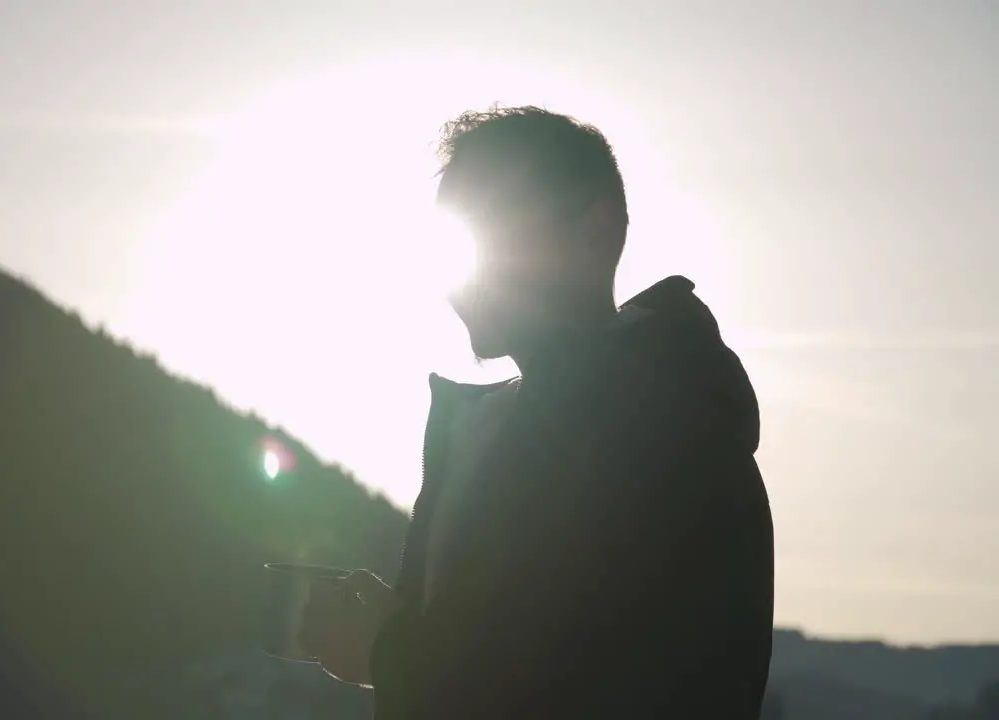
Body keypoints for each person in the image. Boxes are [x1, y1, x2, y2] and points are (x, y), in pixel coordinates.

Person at [299, 106, 775, 719]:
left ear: (595, 233)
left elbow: (591, 682)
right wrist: (399, 633)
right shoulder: (495, 433)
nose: (458, 277)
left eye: (492, 233)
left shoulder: (672, 439)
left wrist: (388, 652)